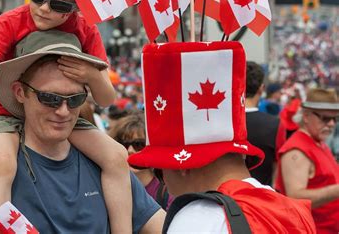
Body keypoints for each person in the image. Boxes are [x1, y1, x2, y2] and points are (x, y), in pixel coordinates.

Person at [0, 0, 131, 232]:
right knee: (1, 161)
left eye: (58, 4)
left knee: (116, 155)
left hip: (59, 112)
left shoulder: (86, 30)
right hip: (1, 114)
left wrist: (93, 75)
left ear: (76, 6)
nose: (44, 8)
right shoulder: (10, 21)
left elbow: (105, 98)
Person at [0, 31, 165, 233]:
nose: (63, 111)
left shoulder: (106, 166)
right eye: (50, 98)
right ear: (20, 92)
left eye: (75, 99)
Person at [128, 42, 316, 233]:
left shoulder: (196, 219)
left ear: (182, 166)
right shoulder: (294, 212)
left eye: (160, 171)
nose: (164, 183)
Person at [276, 88, 339, 233]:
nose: (331, 124)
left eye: (335, 119)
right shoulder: (297, 150)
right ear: (306, 116)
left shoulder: (318, 142)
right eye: (325, 118)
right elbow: (295, 197)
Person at [109, 111, 174, 210]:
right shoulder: (109, 187)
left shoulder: (168, 191)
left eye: (138, 144)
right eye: (123, 145)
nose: (130, 150)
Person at [244, 61, 286, 185]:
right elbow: (277, 170)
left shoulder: (224, 122)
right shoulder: (276, 125)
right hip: (260, 197)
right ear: (261, 89)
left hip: (224, 198)